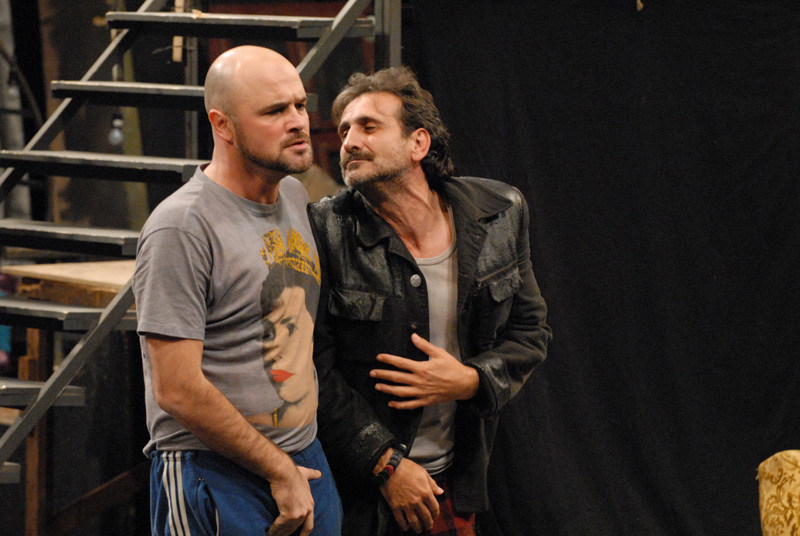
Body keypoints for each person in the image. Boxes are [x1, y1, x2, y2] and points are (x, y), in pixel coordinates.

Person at [308, 66, 552, 536]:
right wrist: (385, 464)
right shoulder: (325, 230)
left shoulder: (499, 212)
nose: (350, 142)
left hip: (452, 486)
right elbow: (313, 369)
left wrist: (470, 380)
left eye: (369, 126)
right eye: (344, 130)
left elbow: (530, 331)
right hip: (360, 493)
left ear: (418, 143)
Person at [133, 45, 342, 536]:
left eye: (299, 105)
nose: (298, 121)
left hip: (305, 458)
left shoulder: (294, 195)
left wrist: (294, 465)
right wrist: (278, 470)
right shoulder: (181, 227)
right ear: (222, 125)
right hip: (214, 470)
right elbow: (177, 390)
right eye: (274, 111)